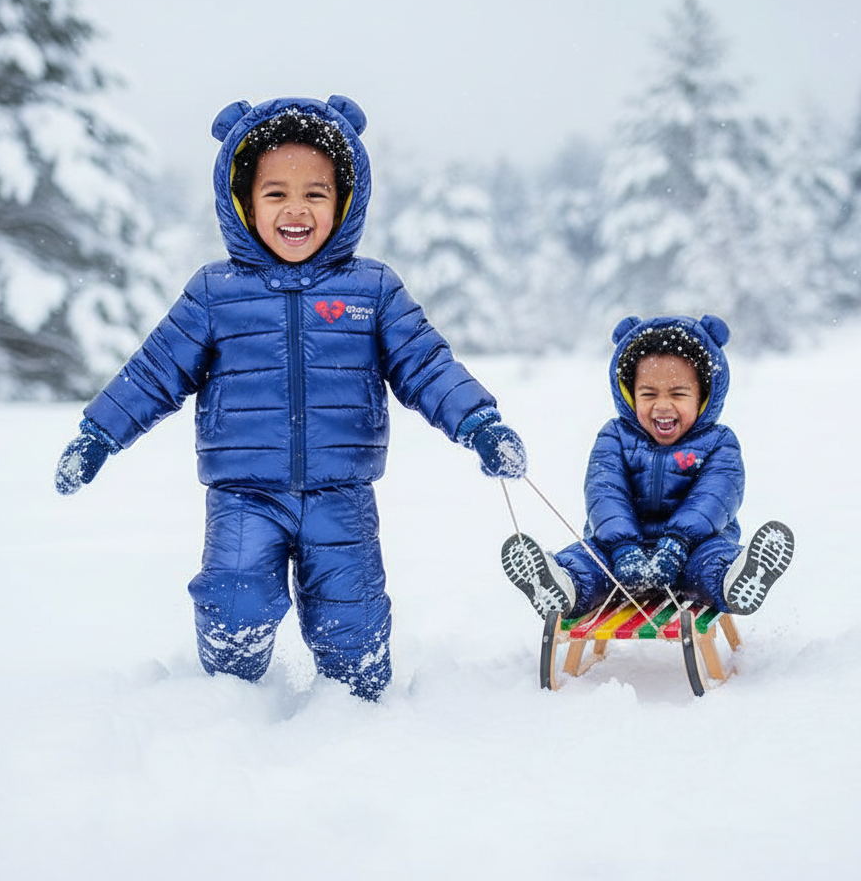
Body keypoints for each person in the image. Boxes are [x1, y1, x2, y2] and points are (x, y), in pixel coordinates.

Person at [55, 94, 527, 700]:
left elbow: (427, 365)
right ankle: (228, 707)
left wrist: (480, 424)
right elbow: (153, 373)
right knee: (235, 598)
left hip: (341, 494)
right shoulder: (215, 293)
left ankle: (357, 718)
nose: (295, 210)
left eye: (316, 194)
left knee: (352, 621)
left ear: (345, 201)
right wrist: (97, 437)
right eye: (276, 193)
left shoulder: (372, 289)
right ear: (244, 203)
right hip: (245, 492)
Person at [501, 313, 793, 621]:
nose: (663, 405)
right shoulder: (614, 437)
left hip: (692, 550)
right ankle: (562, 583)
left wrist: (677, 543)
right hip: (618, 554)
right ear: (629, 394)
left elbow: (716, 496)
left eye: (678, 394)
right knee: (588, 560)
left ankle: (736, 576)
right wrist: (623, 546)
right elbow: (604, 493)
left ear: (704, 396)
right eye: (648, 394)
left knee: (710, 562)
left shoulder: (719, 442)